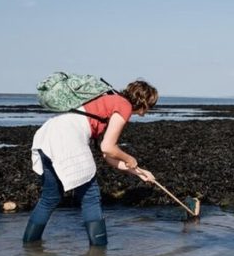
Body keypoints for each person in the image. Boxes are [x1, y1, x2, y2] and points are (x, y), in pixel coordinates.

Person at [23, 79, 158, 246]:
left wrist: (140, 173)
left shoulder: (108, 98)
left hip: (48, 134)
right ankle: (99, 252)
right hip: (67, 137)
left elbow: (107, 156)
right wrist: (130, 158)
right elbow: (108, 147)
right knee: (91, 196)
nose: (145, 114)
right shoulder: (124, 106)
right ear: (143, 102)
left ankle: (29, 247)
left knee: (50, 197)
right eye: (148, 107)